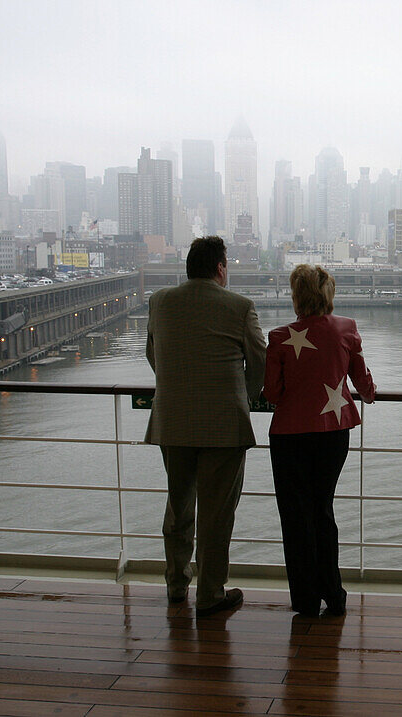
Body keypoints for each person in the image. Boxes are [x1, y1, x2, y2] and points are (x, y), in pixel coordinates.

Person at [145, 236, 267, 617]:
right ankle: (211, 593)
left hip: (173, 422)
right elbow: (260, 362)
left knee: (178, 508)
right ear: (220, 268)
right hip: (224, 427)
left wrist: (175, 388)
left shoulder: (160, 301)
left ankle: (176, 585)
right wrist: (244, 397)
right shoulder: (240, 307)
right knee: (216, 515)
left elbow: (153, 354)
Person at [264, 264, 376, 616]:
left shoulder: (280, 337)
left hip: (289, 438)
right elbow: (363, 384)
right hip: (333, 433)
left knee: (296, 518)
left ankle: (306, 600)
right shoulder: (346, 329)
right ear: (329, 295)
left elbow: (272, 393)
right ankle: (334, 594)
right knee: (323, 510)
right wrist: (369, 395)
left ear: (296, 297)